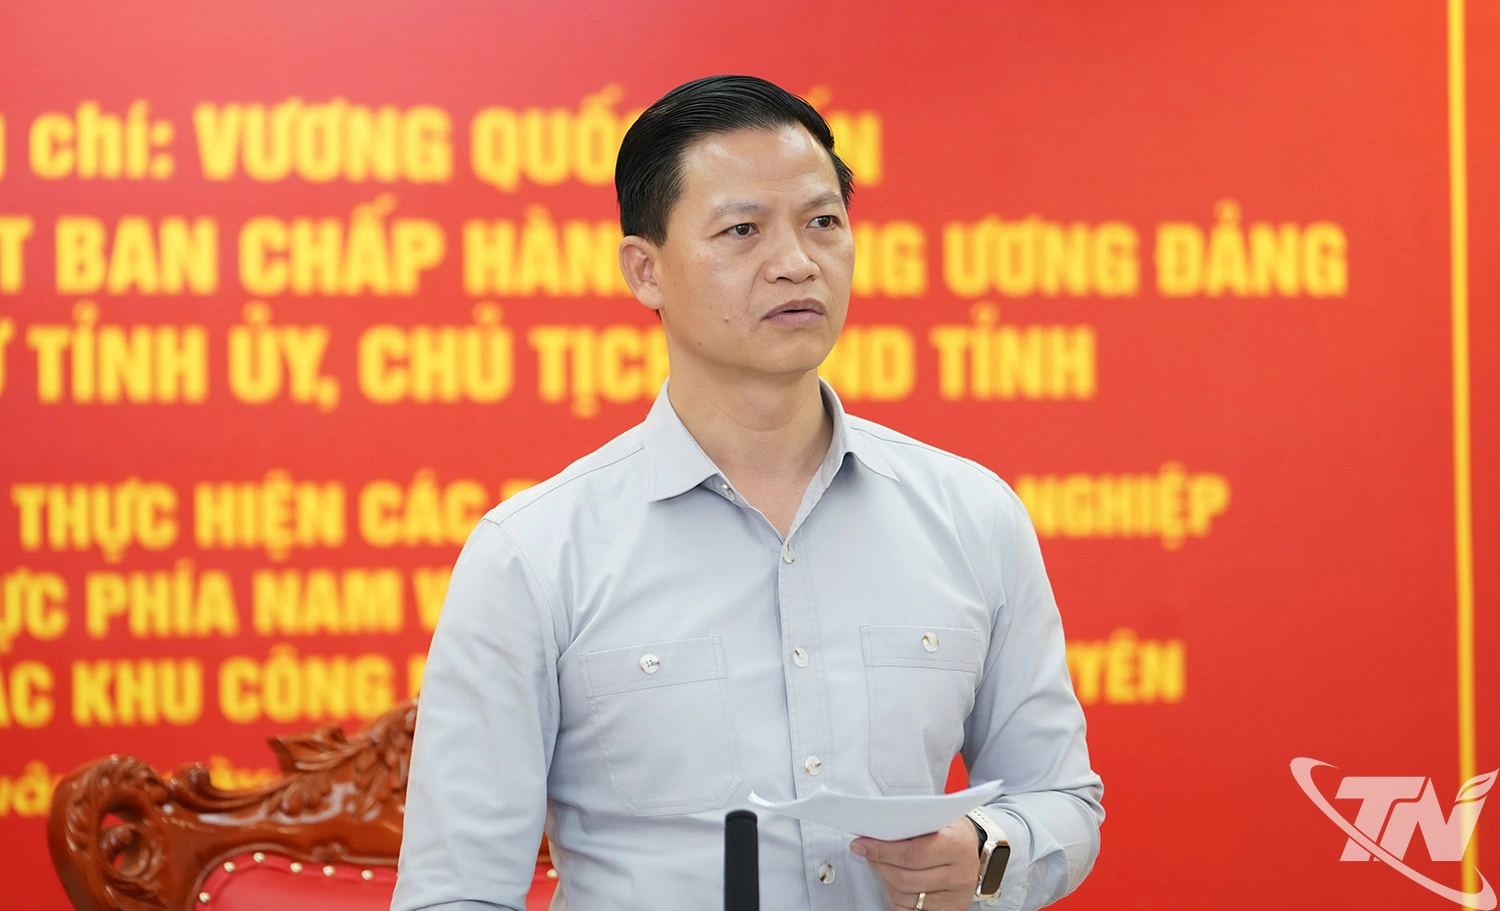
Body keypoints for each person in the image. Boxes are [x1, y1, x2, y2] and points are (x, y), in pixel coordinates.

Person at [392, 74, 1103, 911]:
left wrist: (985, 854)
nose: (797, 262)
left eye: (823, 222)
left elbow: (1061, 799)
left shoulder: (972, 516)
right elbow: (456, 891)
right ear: (645, 270)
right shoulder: (535, 553)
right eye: (742, 230)